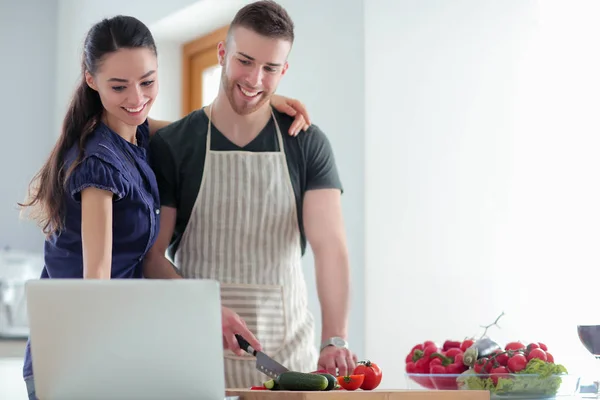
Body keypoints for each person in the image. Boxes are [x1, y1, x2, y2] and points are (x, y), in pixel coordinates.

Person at [17, 14, 313, 400]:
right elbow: (96, 291)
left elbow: (200, 128)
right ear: (91, 80)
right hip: (74, 362)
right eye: (119, 86)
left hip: (104, 351)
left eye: (148, 82)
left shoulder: (133, 131)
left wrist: (262, 101)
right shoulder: (98, 166)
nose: (137, 98)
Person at [145, 0, 356, 388]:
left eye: (270, 68)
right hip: (197, 365)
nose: (255, 79)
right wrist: (205, 307)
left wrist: (335, 338)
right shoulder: (176, 145)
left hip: (289, 366)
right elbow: (152, 257)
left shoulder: (306, 143)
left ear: (284, 70)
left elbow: (331, 247)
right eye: (245, 61)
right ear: (222, 53)